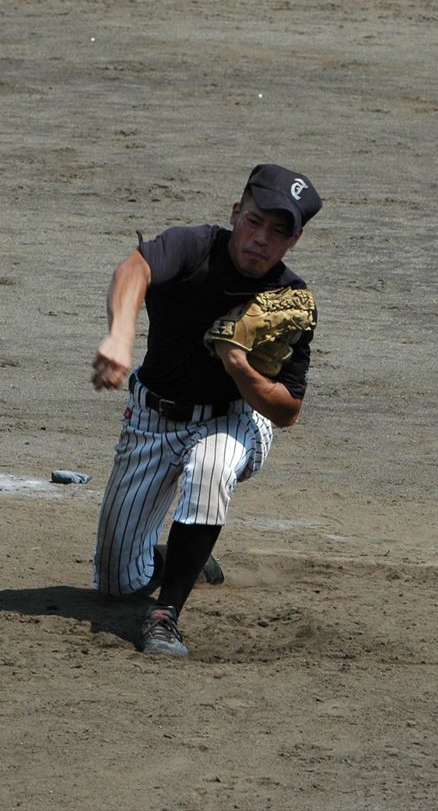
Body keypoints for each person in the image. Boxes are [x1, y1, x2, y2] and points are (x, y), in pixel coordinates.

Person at [90, 164, 322, 657]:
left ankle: (165, 616)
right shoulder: (193, 247)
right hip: (151, 420)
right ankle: (181, 559)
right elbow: (133, 270)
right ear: (236, 213)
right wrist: (120, 335)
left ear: (294, 240)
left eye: (279, 232)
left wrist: (238, 365)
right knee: (115, 582)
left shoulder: (289, 297)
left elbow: (287, 411)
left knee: (211, 466)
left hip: (235, 418)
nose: (261, 239)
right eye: (254, 221)